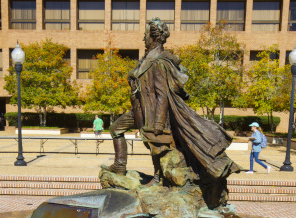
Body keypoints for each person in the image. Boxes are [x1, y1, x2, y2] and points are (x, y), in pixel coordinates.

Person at [102, 17, 240, 182]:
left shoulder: (159, 61)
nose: (143, 38)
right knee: (115, 128)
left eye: (145, 35)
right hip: (139, 108)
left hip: (153, 111)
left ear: (153, 37)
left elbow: (162, 94)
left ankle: (158, 177)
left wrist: (159, 122)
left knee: (154, 145)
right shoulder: (147, 59)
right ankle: (119, 164)